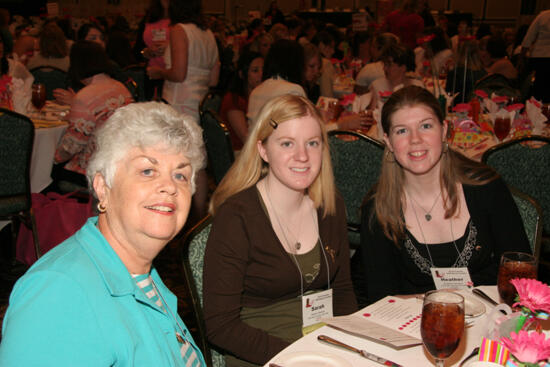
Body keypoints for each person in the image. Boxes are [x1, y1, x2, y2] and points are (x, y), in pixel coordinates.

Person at [0, 102, 207, 366]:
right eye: (147, 170)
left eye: (180, 174)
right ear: (103, 186)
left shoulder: (141, 275)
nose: (169, 186)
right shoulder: (58, 294)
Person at [204, 94, 358, 366]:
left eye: (312, 143)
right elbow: (220, 326)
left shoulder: (330, 206)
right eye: (287, 143)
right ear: (263, 149)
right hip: (260, 352)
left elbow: (343, 289)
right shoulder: (237, 217)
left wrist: (342, 344)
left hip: (321, 347)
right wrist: (299, 356)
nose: (302, 156)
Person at [357, 86, 531, 304]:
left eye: (426, 126)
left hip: (490, 318)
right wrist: (445, 302)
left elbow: (520, 276)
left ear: (444, 129)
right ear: (389, 142)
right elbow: (381, 298)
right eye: (402, 130)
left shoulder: (486, 188)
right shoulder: (378, 209)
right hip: (413, 327)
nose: (415, 140)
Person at [53, 40, 134, 188]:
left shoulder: (85, 97)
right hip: (121, 162)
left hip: (93, 169)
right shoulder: (120, 87)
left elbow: (72, 145)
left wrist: (51, 158)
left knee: (50, 173)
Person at [146, 0, 219, 122]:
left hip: (178, 104)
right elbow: (213, 80)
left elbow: (179, 75)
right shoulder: (208, 33)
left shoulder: (179, 30)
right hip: (201, 105)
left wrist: (158, 72)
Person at [219, 50, 263, 150]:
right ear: (242, 74)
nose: (261, 75)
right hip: (240, 153)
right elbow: (246, 138)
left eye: (264, 70)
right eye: (255, 71)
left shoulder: (260, 97)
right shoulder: (233, 100)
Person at [367, 44, 424, 110]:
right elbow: (370, 113)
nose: (384, 68)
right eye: (385, 64)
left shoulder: (417, 86)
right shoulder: (377, 85)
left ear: (403, 67)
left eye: (389, 65)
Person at [521, 9, 550, 103]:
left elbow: (529, 37)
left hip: (540, 56)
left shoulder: (543, 16)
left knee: (538, 87)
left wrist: (522, 57)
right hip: (541, 56)